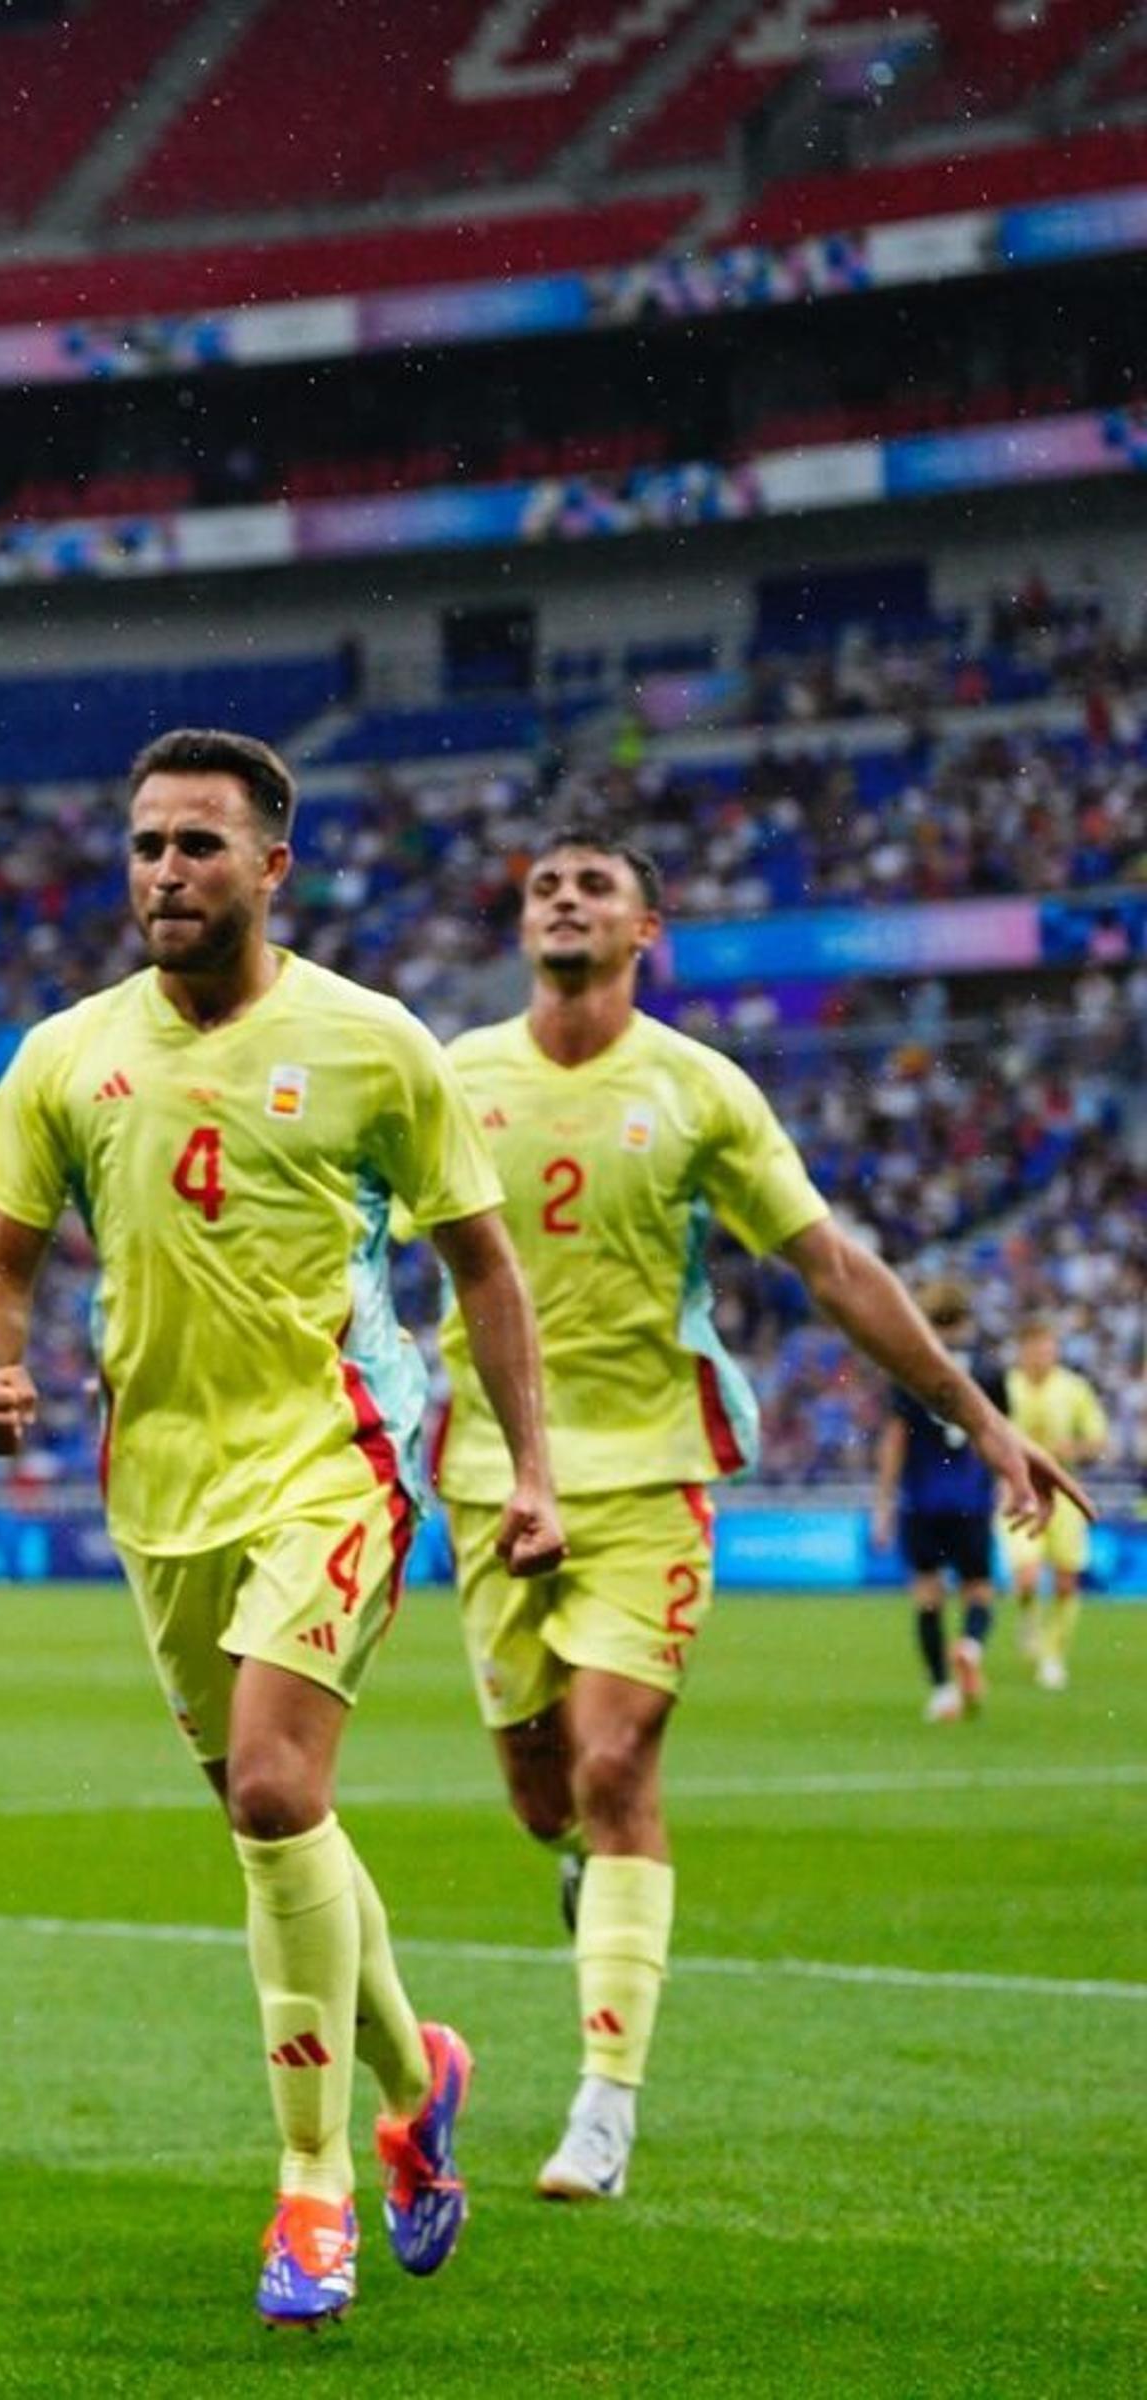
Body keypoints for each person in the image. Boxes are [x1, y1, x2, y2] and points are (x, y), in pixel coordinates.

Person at [0, 727, 569, 2327]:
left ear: (271, 868)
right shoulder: (63, 1055)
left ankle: (311, 2191)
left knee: (284, 1789)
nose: (168, 870)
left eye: (201, 846)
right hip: (158, 1486)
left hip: (340, 1455)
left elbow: (486, 1269)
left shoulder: (375, 1045)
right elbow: (4, 1253)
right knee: (269, 1817)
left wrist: (538, 1473)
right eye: (149, 844)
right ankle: (416, 2075)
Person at [434, 827, 1085, 2206]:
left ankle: (603, 2105)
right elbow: (342, 1237)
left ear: (645, 931)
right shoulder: (449, 1080)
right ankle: (588, 1883)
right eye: (545, 884)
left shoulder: (696, 1091)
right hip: (490, 1481)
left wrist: (977, 1414)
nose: (563, 898)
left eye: (593, 885)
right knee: (541, 1793)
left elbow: (833, 1268)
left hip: (657, 1471)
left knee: (615, 1773)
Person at [874, 1279, 1030, 1724]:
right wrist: (1008, 1485)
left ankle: (943, 1691)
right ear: (967, 1318)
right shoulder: (988, 1368)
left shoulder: (909, 1367)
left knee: (926, 1595)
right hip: (971, 1500)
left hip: (920, 1501)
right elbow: (1000, 1433)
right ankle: (970, 1645)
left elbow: (894, 1439)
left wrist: (883, 1502)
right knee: (979, 1590)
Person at [995, 1313, 1112, 1693]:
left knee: (1065, 1582)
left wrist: (1073, 1448)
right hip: (1019, 1492)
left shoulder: (1074, 1389)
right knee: (1027, 1577)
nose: (1040, 1355)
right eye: (1033, 1348)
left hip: (1062, 1494)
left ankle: (1052, 1656)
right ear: (1022, 1351)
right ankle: (1029, 1617)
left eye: (1047, 1348)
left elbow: (1098, 1441)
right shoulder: (1005, 1387)